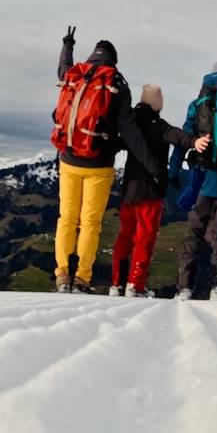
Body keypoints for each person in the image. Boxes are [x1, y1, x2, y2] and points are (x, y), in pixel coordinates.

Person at [51, 26, 159, 294]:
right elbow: (130, 130)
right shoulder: (116, 84)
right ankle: (82, 279)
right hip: (98, 166)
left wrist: (68, 43)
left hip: (68, 158)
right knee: (89, 223)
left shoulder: (75, 74)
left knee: (66, 218)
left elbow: (62, 67)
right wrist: (153, 165)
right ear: (114, 60)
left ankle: (63, 274)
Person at [109, 84, 209, 298]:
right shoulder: (158, 125)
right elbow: (177, 135)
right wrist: (195, 141)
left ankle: (116, 283)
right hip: (150, 192)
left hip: (129, 190)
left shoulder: (130, 124)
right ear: (156, 103)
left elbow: (116, 142)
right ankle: (135, 285)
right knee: (144, 239)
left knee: (124, 237)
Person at [169, 60, 217, 301]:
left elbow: (185, 135)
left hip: (201, 178)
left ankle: (184, 288)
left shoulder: (197, 103)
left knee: (194, 234)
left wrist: (174, 168)